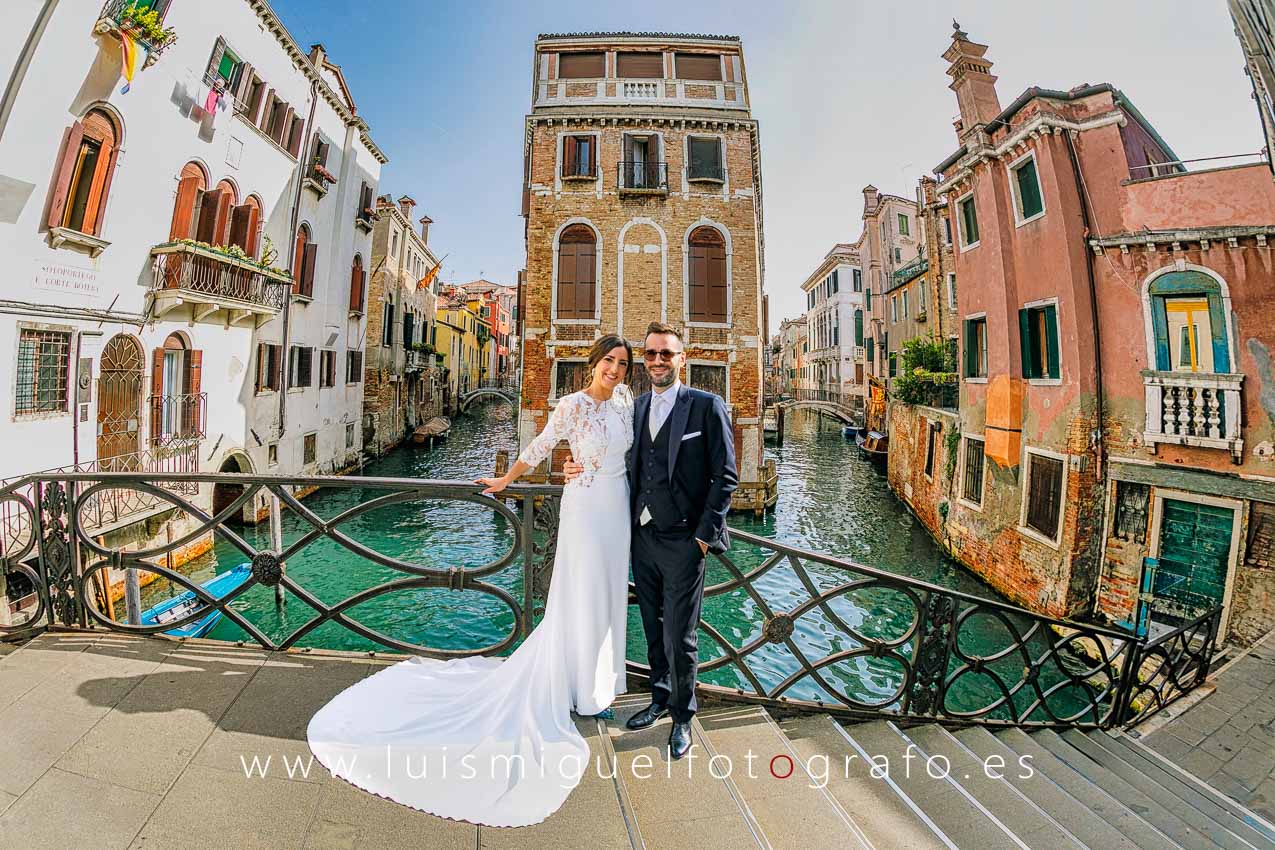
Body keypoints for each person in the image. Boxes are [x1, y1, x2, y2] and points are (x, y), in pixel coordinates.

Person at [306, 335, 634, 828]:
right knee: (580, 595)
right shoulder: (572, 405)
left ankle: (598, 685)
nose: (615, 369)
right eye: (609, 360)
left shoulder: (627, 402)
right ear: (593, 363)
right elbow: (541, 446)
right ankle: (577, 688)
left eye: (622, 363)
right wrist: (506, 480)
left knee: (607, 597)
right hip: (586, 507)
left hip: (618, 506)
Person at [565, 321, 737, 760]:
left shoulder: (707, 406)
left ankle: (683, 716)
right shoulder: (635, 406)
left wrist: (703, 538)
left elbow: (725, 477)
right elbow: (610, 451)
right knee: (652, 628)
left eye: (666, 353)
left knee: (681, 635)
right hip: (641, 538)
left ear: (682, 358)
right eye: (651, 354)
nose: (658, 361)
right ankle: (659, 698)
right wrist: (574, 464)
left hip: (685, 542)